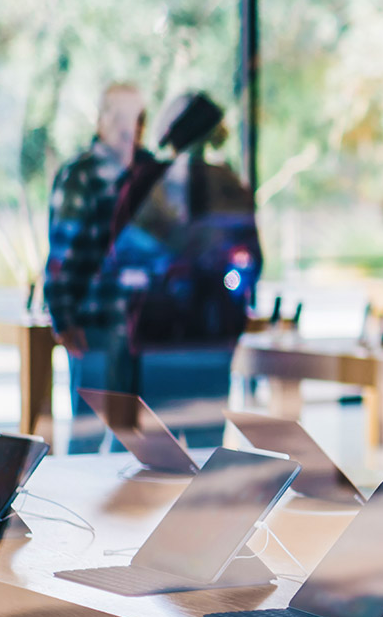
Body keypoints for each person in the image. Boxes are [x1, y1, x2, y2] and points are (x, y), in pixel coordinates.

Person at [100, 92, 263, 448]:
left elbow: (248, 256)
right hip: (172, 339)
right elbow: (123, 256)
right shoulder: (155, 182)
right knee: (154, 451)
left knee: (190, 450)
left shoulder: (223, 184)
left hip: (200, 338)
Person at [45, 82, 148, 453]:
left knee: (138, 444)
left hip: (146, 333)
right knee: (87, 440)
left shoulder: (150, 172)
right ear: (100, 120)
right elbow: (61, 254)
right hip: (96, 327)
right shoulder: (80, 175)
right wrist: (64, 319)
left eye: (135, 118)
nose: (126, 127)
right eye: (117, 117)